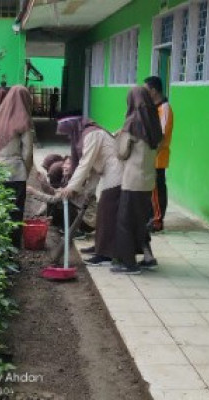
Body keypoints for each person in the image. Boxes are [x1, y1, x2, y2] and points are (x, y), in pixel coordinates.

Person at [110, 86, 163, 275]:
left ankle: (128, 264)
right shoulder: (155, 124)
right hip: (148, 181)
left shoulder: (132, 123)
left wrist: (118, 137)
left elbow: (121, 153)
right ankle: (142, 258)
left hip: (132, 181)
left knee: (125, 222)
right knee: (138, 222)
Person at [59, 115, 124, 266]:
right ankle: (100, 247)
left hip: (116, 173)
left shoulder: (92, 134)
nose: (70, 136)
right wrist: (88, 191)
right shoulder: (87, 134)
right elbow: (94, 168)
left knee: (106, 214)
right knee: (103, 214)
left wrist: (71, 187)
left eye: (68, 133)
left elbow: (85, 163)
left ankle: (106, 255)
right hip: (108, 173)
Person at [0, 85, 34, 248]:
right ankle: (13, 247)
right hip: (14, 172)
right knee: (15, 212)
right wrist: (26, 171)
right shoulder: (23, 120)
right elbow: (28, 152)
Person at [144, 76, 174, 232]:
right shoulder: (154, 108)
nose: (145, 93)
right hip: (150, 155)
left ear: (154, 90)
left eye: (147, 90)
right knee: (152, 190)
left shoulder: (165, 108)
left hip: (157, 157)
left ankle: (157, 221)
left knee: (156, 190)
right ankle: (151, 217)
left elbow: (161, 135)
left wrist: (152, 151)